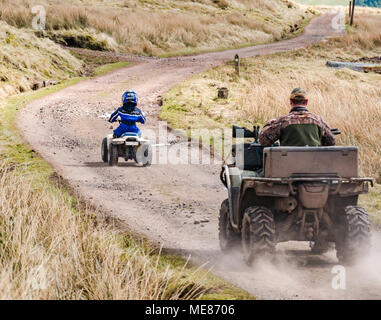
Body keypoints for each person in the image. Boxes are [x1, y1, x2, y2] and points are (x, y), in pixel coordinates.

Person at [259, 88, 335, 147]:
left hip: (288, 165)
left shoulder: (282, 121)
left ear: (291, 102)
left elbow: (263, 141)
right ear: (306, 102)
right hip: (313, 165)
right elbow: (331, 142)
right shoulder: (318, 120)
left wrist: (269, 123)